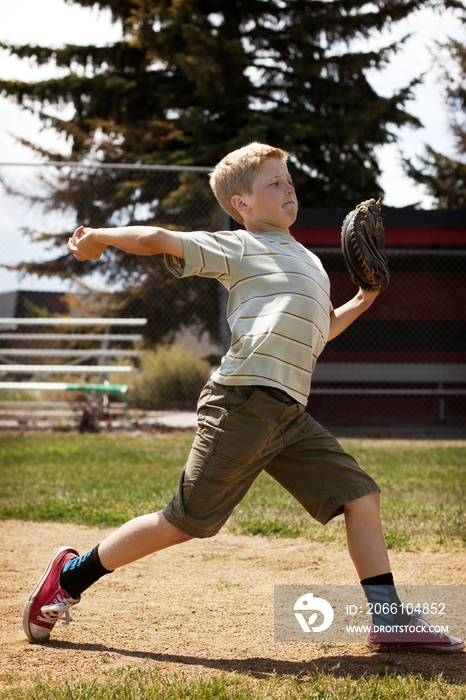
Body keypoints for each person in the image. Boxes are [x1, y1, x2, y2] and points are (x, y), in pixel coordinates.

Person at [23, 143, 463, 653]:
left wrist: (363, 299)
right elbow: (156, 237)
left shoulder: (308, 262)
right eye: (273, 182)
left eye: (289, 179)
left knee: (361, 496)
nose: (288, 187)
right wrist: (99, 236)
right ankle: (69, 578)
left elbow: (319, 330)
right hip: (242, 401)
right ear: (242, 205)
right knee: (183, 524)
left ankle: (388, 619)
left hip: (288, 413)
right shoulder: (240, 246)